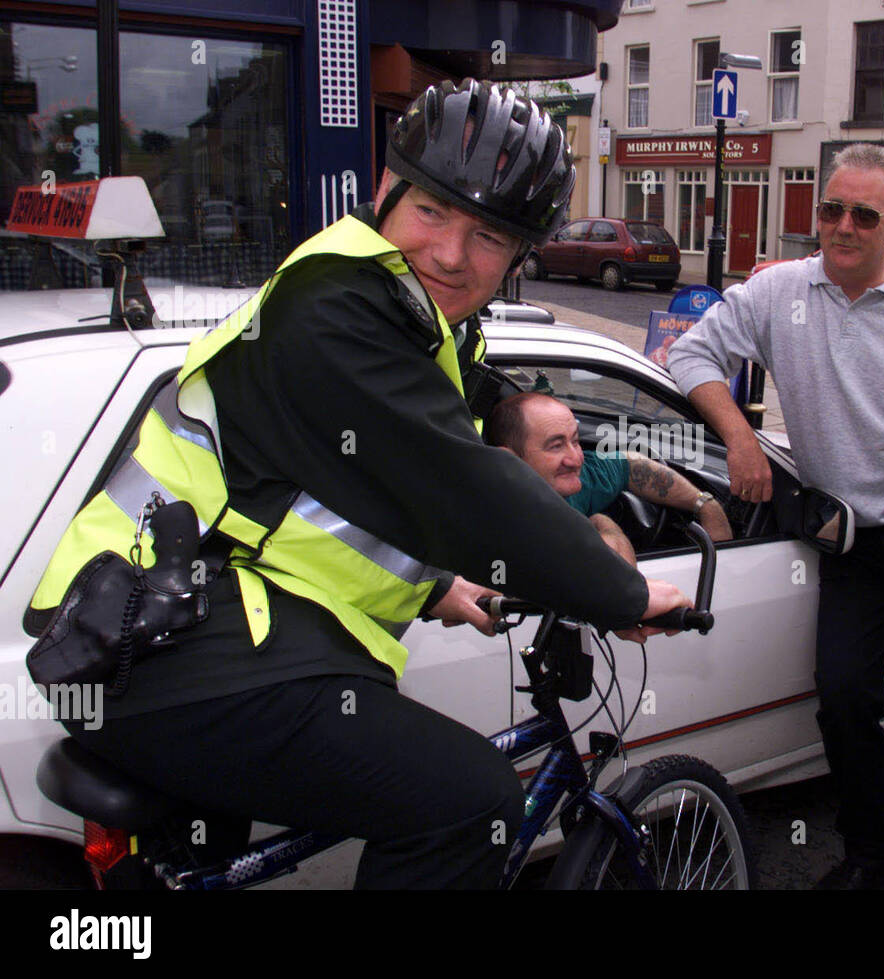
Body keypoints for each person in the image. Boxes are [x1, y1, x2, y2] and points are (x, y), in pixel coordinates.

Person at [26, 79, 689, 889]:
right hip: (152, 642)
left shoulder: (419, 323)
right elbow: (459, 484)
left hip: (178, 629)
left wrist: (435, 584)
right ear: (384, 192)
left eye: (488, 235)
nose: (451, 252)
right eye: (432, 212)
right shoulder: (336, 301)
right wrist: (620, 592)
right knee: (469, 801)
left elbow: (330, 491)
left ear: (520, 257)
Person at [666, 142, 884, 888]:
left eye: (863, 213)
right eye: (830, 209)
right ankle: (872, 858)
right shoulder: (777, 291)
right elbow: (690, 356)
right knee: (846, 698)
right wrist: (741, 436)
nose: (843, 226)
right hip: (854, 542)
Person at [484, 391, 733, 564]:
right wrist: (604, 526)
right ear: (510, 459)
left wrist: (704, 504)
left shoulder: (573, 481)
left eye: (575, 440)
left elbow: (631, 466)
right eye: (556, 446)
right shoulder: (493, 526)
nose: (576, 459)